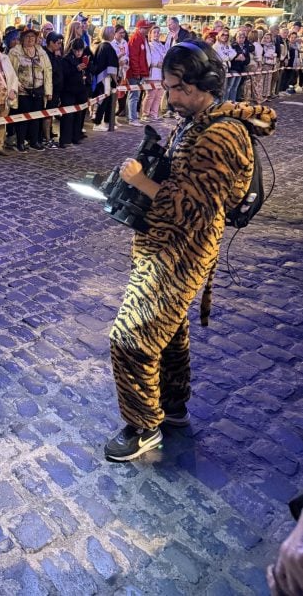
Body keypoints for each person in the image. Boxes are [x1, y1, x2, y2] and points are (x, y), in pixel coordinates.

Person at [104, 40, 276, 462]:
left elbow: (192, 209)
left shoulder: (221, 134)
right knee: (169, 331)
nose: (172, 96)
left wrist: (141, 181)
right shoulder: (198, 121)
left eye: (179, 88)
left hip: (179, 253)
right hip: (163, 247)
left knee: (131, 337)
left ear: (205, 84)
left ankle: (143, 426)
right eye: (170, 87)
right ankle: (173, 406)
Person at [9, 27, 52, 153]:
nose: (30, 39)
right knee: (22, 118)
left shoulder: (41, 52)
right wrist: (15, 84)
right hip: (22, 91)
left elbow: (48, 71)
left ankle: (34, 141)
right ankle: (20, 142)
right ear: (22, 38)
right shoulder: (14, 52)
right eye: (27, 37)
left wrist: (48, 91)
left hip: (38, 90)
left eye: (33, 37)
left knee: (36, 117)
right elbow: (9, 71)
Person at [59, 38, 90, 147]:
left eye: (80, 50)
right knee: (68, 116)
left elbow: (90, 71)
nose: (78, 53)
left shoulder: (85, 58)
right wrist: (76, 69)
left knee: (79, 115)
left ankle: (76, 136)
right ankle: (65, 139)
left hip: (81, 91)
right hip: (69, 91)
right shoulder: (66, 59)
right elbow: (64, 74)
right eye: (76, 50)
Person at [91, 26, 118, 131]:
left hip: (100, 77)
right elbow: (112, 67)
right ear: (110, 34)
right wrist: (115, 80)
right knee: (103, 100)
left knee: (105, 100)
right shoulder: (108, 47)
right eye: (113, 32)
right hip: (105, 78)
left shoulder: (100, 46)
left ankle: (105, 122)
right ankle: (97, 123)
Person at [127, 20, 152, 125]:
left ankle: (133, 116)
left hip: (139, 72)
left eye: (147, 28)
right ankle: (132, 118)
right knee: (134, 95)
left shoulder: (141, 38)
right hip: (135, 73)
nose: (147, 30)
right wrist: (137, 72)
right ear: (139, 28)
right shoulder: (136, 38)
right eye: (145, 28)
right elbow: (134, 57)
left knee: (135, 95)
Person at [141, 25, 166, 121]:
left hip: (161, 73)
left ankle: (154, 114)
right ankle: (145, 114)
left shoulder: (161, 46)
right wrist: (156, 64)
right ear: (150, 34)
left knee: (159, 94)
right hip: (152, 73)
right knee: (151, 94)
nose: (156, 34)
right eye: (154, 32)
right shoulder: (149, 45)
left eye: (158, 32)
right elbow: (147, 59)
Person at [227, 30, 250, 102]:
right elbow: (230, 57)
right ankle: (227, 101)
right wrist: (236, 58)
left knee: (236, 87)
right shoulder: (233, 46)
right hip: (234, 68)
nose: (241, 39)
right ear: (236, 38)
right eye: (239, 37)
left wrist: (244, 59)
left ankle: (233, 101)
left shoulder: (245, 47)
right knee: (229, 86)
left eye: (243, 37)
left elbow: (248, 59)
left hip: (241, 68)